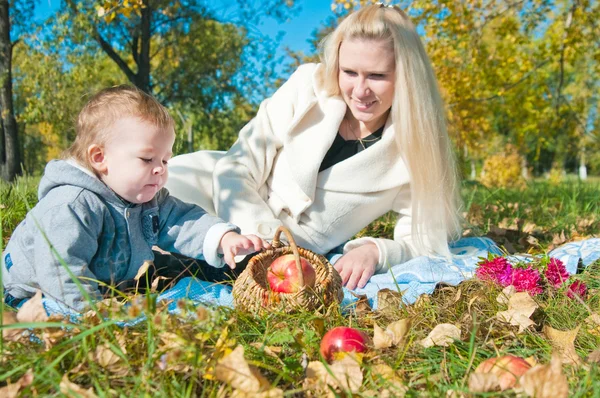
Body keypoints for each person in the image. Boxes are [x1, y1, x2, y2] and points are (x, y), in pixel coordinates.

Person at [166, 4, 462, 291]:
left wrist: (376, 251)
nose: (360, 91)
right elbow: (236, 167)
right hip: (217, 196)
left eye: (377, 76)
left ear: (406, 76)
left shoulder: (416, 147)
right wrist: (262, 241)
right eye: (349, 72)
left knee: (176, 266)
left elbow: (424, 239)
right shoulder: (307, 84)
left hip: (292, 263)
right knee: (146, 209)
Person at [2, 86, 268, 311]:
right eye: (147, 158)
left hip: (110, 284)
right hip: (38, 293)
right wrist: (91, 320)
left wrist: (223, 238)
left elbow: (183, 220)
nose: (160, 169)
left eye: (165, 160)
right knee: (54, 314)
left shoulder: (147, 199)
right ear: (100, 158)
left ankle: (221, 295)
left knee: (180, 284)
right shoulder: (71, 205)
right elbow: (61, 270)